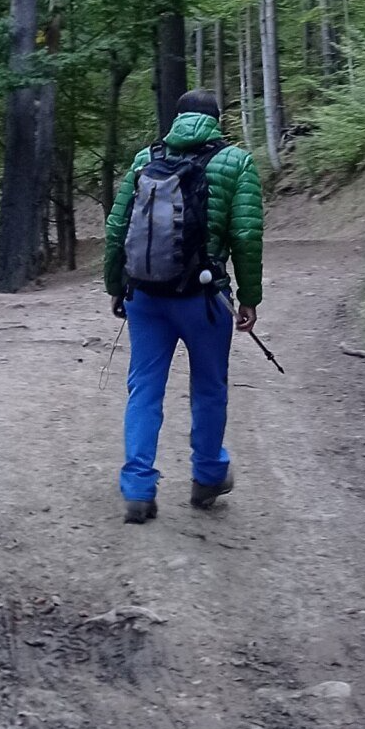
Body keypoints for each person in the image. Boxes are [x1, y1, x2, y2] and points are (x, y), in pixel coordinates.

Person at [102, 89, 263, 525]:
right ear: (217, 119)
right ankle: (208, 475)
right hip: (205, 300)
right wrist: (250, 297)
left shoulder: (144, 159)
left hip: (146, 297)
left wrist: (116, 285)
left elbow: (117, 228)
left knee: (145, 388)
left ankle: (138, 488)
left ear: (177, 118)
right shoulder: (236, 162)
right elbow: (246, 237)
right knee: (209, 388)